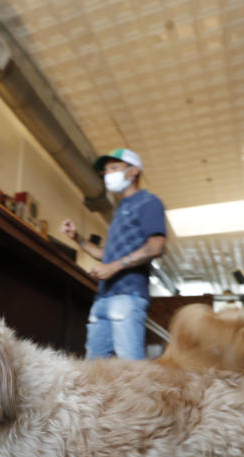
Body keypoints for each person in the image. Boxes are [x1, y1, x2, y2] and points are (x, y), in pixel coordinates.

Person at [61, 148, 166, 360]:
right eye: (106, 171)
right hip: (103, 298)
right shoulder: (119, 211)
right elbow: (104, 254)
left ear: (134, 171)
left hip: (128, 296)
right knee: (94, 368)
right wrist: (77, 238)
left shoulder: (148, 202)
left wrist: (113, 267)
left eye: (114, 168)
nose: (108, 174)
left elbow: (156, 246)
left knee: (130, 367)